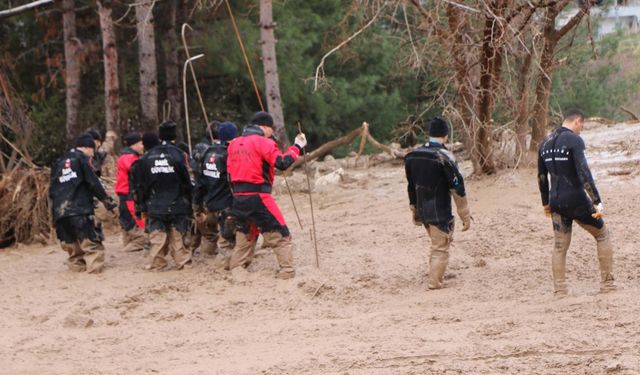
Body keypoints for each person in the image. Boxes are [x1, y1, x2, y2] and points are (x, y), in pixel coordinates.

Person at [537, 108, 615, 297]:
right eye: (582, 125)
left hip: (555, 201)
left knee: (559, 246)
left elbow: (541, 177)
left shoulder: (544, 143)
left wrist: (545, 202)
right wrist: (596, 200)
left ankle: (560, 291)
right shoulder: (574, 140)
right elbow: (583, 172)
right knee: (602, 235)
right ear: (577, 121)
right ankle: (607, 285)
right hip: (576, 200)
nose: (581, 130)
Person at [226, 111, 306, 280]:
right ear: (264, 127)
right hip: (259, 196)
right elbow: (282, 163)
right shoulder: (264, 142)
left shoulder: (234, 143)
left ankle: (237, 269)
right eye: (271, 128)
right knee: (281, 234)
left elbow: (229, 172)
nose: (273, 132)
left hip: (239, 197)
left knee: (245, 235)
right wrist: (297, 146)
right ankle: (287, 271)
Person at [404, 117, 471, 290]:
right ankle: (435, 283)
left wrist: (414, 211)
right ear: (446, 136)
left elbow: (410, 186)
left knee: (437, 244)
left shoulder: (413, 155)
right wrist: (464, 213)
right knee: (440, 248)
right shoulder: (445, 156)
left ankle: (435, 275)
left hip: (422, 207)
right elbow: (457, 186)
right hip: (439, 208)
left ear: (429, 134)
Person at [49, 133, 118, 273]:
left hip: (60, 213)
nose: (92, 155)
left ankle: (77, 277)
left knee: (74, 252)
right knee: (92, 246)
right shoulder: (83, 159)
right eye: (92, 152)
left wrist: (54, 216)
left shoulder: (58, 163)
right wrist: (107, 201)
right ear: (88, 148)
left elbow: (52, 191)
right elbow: (93, 182)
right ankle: (94, 277)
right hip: (80, 211)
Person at [135, 122, 193, 270]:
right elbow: (187, 181)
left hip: (154, 204)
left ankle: (157, 264)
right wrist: (191, 202)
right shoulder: (179, 154)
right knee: (178, 237)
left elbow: (141, 185)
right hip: (177, 203)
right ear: (175, 135)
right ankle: (183, 264)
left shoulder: (147, 157)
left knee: (157, 238)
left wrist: (142, 205)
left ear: (160, 136)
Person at [193, 121, 238, 266]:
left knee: (210, 237)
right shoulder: (229, 154)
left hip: (209, 203)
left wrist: (198, 206)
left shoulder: (206, 153)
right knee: (228, 240)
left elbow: (200, 182)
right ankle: (224, 266)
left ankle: (207, 258)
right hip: (226, 205)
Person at [115, 132, 146, 252]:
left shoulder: (127, 156)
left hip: (126, 195)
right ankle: (135, 243)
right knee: (136, 223)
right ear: (134, 145)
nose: (143, 146)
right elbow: (136, 170)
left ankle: (129, 242)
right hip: (128, 195)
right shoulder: (129, 157)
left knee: (128, 220)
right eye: (141, 143)